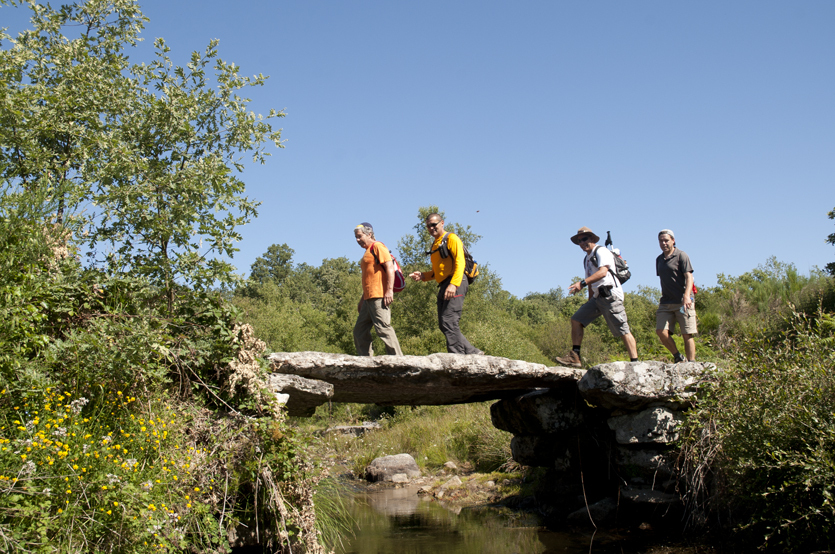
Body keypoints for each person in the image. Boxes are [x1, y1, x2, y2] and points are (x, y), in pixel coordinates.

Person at [555, 226, 638, 368]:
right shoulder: (586, 259)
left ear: (592, 239)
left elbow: (602, 273)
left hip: (610, 295)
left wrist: (581, 283)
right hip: (597, 298)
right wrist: (589, 303)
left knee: (622, 329)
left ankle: (635, 363)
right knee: (577, 319)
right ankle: (575, 357)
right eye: (579, 241)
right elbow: (591, 282)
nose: (582, 243)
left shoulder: (601, 251)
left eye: (585, 239)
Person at [408, 213, 483, 355]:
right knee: (444, 324)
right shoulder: (435, 244)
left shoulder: (451, 238)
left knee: (449, 320)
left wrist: (454, 284)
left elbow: (460, 262)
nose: (431, 228)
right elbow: (439, 272)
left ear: (442, 223)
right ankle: (472, 352)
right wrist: (424, 276)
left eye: (434, 224)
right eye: (428, 226)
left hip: (457, 281)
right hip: (444, 284)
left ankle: (457, 357)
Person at [353, 223, 403, 357]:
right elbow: (369, 278)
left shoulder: (378, 246)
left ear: (369, 234)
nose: (357, 240)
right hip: (368, 298)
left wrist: (389, 291)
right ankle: (365, 361)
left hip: (379, 296)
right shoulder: (367, 252)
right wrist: (362, 300)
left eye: (359, 236)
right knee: (359, 331)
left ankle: (399, 360)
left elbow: (389, 268)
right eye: (356, 237)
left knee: (383, 328)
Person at [655, 229, 697, 362]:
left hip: (683, 301)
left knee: (687, 334)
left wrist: (686, 296)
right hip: (666, 302)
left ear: (673, 240)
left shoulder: (681, 255)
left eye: (666, 240)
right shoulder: (659, 259)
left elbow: (689, 277)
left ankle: (691, 364)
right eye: (661, 241)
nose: (663, 243)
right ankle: (678, 357)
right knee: (661, 331)